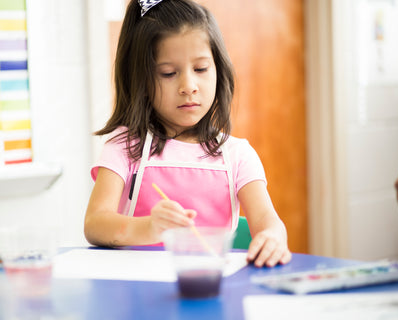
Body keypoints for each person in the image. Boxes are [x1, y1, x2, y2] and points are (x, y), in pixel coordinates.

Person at [84, 0, 291, 268]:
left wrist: (273, 237)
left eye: (201, 69)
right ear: (141, 79)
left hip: (209, 288)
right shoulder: (124, 147)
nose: (188, 86)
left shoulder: (238, 155)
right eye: (168, 73)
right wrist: (149, 227)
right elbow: (95, 224)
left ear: (219, 70)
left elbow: (267, 220)